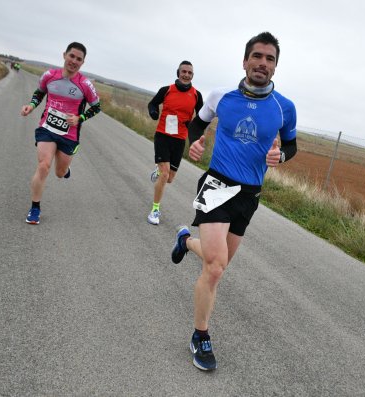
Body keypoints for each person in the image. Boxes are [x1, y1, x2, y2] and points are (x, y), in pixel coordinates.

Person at [171, 32, 297, 371]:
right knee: (214, 267)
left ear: (275, 66)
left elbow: (291, 146)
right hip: (217, 184)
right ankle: (200, 335)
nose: (262, 63)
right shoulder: (220, 96)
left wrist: (281, 156)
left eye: (269, 59)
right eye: (257, 56)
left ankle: (185, 240)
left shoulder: (284, 107)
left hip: (249, 194)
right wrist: (194, 143)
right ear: (245, 61)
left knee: (220, 264)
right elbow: (196, 125)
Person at [20, 42, 101, 225]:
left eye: (78, 59)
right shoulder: (50, 76)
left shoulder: (85, 85)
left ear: (82, 63)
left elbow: (97, 108)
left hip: (69, 134)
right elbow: (39, 93)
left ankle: (65, 170)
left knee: (59, 172)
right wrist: (31, 106)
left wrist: (79, 118)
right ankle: (35, 208)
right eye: (71, 56)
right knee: (43, 165)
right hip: (47, 128)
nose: (74, 61)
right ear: (64, 55)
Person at [146, 61, 203, 225]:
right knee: (165, 174)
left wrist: (193, 127)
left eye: (189, 73)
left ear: (192, 76)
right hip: (163, 135)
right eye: (183, 71)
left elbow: (201, 118)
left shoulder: (196, 95)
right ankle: (155, 210)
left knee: (169, 178)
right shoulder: (166, 90)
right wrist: (153, 111)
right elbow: (152, 103)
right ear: (178, 73)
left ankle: (158, 171)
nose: (186, 75)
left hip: (179, 140)